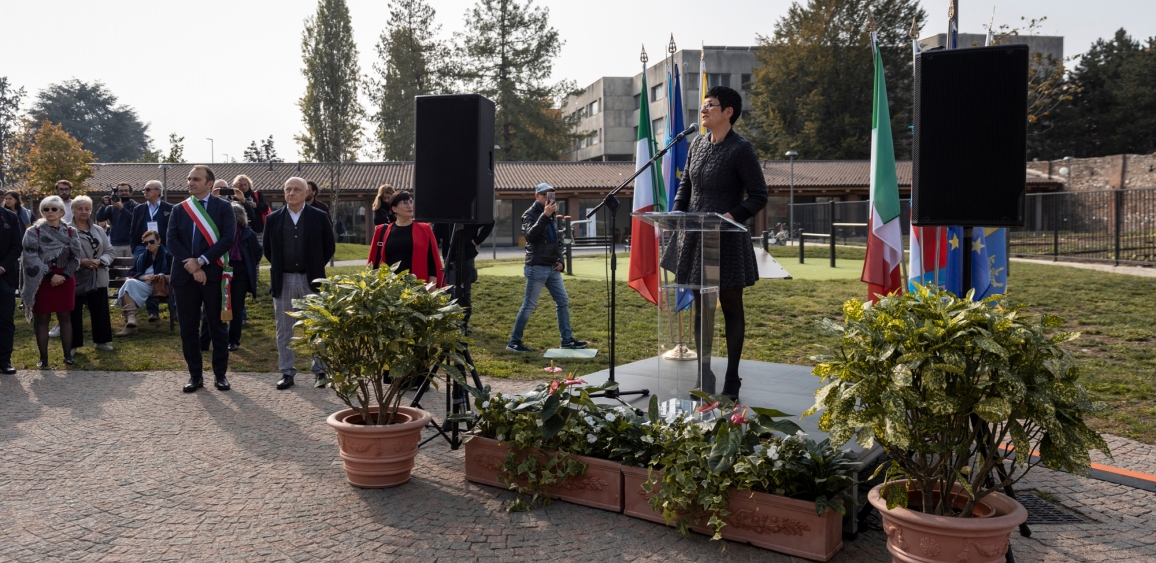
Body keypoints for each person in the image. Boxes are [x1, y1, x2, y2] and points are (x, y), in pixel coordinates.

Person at [667, 86, 768, 401]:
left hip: (726, 239)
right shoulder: (697, 143)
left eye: (711, 105)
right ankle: (703, 374)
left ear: (729, 112)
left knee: (731, 307)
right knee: (702, 309)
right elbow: (687, 183)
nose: (704, 109)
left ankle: (732, 379)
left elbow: (759, 196)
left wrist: (732, 214)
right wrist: (677, 211)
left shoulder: (741, 150)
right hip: (696, 238)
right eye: (703, 105)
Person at [168, 165, 236, 393]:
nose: (190, 182)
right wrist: (193, 265)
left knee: (217, 327)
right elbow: (172, 240)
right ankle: (195, 376)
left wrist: (203, 261)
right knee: (188, 328)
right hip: (185, 276)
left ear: (209, 183)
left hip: (214, 275)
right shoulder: (180, 209)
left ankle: (220, 375)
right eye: (189, 178)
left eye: (196, 179)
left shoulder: (224, 208)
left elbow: (227, 239)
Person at [263, 177, 335, 390]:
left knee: (317, 326)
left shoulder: (319, 217)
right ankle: (287, 372)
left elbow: (328, 246)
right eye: (288, 189)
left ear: (307, 193)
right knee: (284, 328)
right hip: (283, 279)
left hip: (311, 279)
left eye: (296, 190)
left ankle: (320, 371)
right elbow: (268, 249)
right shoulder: (273, 219)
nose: (291, 193)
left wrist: (313, 266)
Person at [506, 183, 586, 353]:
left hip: (552, 267)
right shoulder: (530, 214)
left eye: (552, 195)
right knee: (529, 305)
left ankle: (567, 340)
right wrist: (545, 215)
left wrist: (561, 260)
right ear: (537, 196)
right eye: (545, 195)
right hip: (536, 266)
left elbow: (555, 240)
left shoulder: (551, 214)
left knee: (562, 301)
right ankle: (514, 342)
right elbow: (530, 236)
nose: (549, 198)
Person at [21, 196, 82, 367]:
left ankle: (67, 356)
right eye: (46, 209)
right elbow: (30, 257)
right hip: (42, 279)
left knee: (65, 317)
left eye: (54, 209)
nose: (50, 212)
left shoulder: (71, 232)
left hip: (65, 279)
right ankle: (43, 358)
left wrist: (64, 275)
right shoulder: (33, 232)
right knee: (42, 319)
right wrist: (50, 275)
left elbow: (76, 257)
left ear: (62, 212)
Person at [200, 202, 259, 352]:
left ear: (238, 218)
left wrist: (249, 265)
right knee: (210, 307)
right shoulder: (218, 233)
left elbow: (258, 252)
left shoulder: (248, 234)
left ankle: (233, 341)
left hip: (240, 276)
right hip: (218, 273)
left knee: (237, 309)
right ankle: (204, 341)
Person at [68, 196, 115, 353]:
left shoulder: (99, 230)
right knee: (74, 311)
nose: (84, 211)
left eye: (87, 208)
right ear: (72, 210)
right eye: (80, 208)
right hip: (76, 277)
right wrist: (82, 262)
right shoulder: (66, 230)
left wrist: (100, 261)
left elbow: (109, 251)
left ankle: (101, 341)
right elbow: (63, 254)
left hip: (98, 274)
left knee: (100, 309)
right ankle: (73, 344)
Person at [367, 191, 443, 285]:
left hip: (417, 286)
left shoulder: (425, 229)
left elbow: (433, 262)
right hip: (388, 288)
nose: (409, 206)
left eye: (411, 202)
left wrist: (431, 286)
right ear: (394, 208)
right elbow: (373, 263)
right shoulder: (381, 230)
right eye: (404, 203)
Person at [434, 221, 493, 334]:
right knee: (451, 291)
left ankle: (463, 324)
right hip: (450, 256)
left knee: (465, 292)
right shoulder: (443, 213)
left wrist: (477, 240)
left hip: (467, 255)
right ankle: (452, 323)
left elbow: (490, 221)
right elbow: (436, 234)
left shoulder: (469, 212)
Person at [129, 180, 173, 322]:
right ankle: (153, 312)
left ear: (158, 192)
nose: (145, 192)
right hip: (143, 246)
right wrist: (135, 247)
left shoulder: (169, 208)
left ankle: (175, 307)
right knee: (146, 273)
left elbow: (174, 229)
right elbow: (133, 229)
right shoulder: (139, 209)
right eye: (144, 190)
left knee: (168, 272)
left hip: (164, 245)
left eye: (148, 189)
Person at [114, 230, 170, 337]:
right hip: (143, 284)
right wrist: (144, 277)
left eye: (152, 242)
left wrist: (155, 277)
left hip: (158, 286)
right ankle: (131, 322)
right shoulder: (143, 256)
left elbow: (172, 272)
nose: (149, 245)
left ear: (159, 240)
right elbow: (131, 272)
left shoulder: (167, 255)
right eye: (146, 243)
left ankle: (130, 320)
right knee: (128, 285)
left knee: (128, 284)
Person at [0, 201, 21, 375]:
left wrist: (2, 267)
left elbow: (16, 247)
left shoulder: (10, 217)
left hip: (4, 277)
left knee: (6, 321)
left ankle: (4, 361)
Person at [95, 182, 138, 258]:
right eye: (121, 191)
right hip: (115, 244)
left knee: (133, 268)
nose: (124, 192)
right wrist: (103, 206)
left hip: (132, 244)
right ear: (116, 193)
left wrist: (121, 208)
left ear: (130, 193)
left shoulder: (135, 206)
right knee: (116, 269)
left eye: (126, 190)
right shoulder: (111, 207)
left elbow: (136, 220)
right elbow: (99, 218)